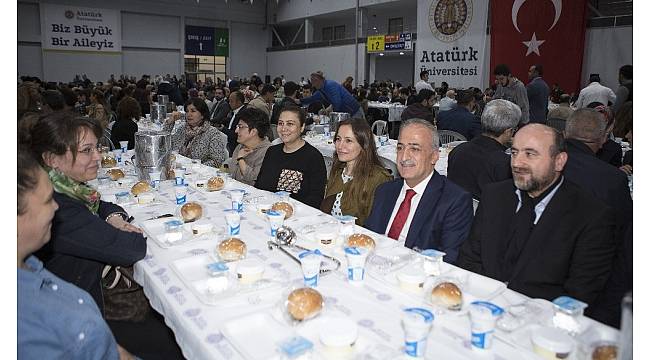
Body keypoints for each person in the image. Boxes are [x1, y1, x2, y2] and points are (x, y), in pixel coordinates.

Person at [457, 124, 616, 306]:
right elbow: (469, 258)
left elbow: (580, 294)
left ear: (559, 161)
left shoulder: (591, 216)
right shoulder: (494, 195)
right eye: (514, 152)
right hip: (481, 306)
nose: (517, 163)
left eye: (530, 154)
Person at [17, 146, 134, 360]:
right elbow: (131, 248)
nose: (55, 207)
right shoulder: (25, 327)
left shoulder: (30, 265)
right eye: (47, 201)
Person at [364, 119, 473, 263]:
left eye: (414, 149)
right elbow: (369, 238)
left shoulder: (454, 201)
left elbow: (448, 261)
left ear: (434, 156)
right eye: (400, 148)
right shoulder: (385, 191)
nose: (403, 157)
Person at [563, 108, 632, 239]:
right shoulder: (614, 179)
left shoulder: (542, 164)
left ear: (565, 134)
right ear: (602, 140)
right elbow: (624, 229)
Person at [321, 118, 391, 225]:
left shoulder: (378, 178)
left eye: (348, 141)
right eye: (338, 139)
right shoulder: (338, 170)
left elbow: (376, 224)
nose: (340, 146)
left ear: (364, 145)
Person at [447, 99, 520, 200]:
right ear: (508, 132)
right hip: (487, 213)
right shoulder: (504, 163)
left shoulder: (458, 151)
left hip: (454, 210)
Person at [256, 106, 327, 208]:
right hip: (266, 210)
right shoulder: (272, 152)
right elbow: (259, 186)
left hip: (297, 217)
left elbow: (315, 199)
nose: (284, 128)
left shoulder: (313, 157)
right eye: (281, 123)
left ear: (302, 127)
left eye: (290, 124)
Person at [166, 97, 228, 167]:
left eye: (193, 111)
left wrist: (195, 166)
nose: (189, 114)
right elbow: (166, 145)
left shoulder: (212, 133)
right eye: (187, 111)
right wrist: (169, 123)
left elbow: (217, 161)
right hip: (179, 169)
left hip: (200, 173)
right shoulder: (182, 129)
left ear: (202, 115)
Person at [225, 108, 272, 185]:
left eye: (240, 127)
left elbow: (254, 182)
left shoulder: (268, 152)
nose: (236, 131)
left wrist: (240, 159)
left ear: (253, 131)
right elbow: (231, 175)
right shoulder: (240, 147)